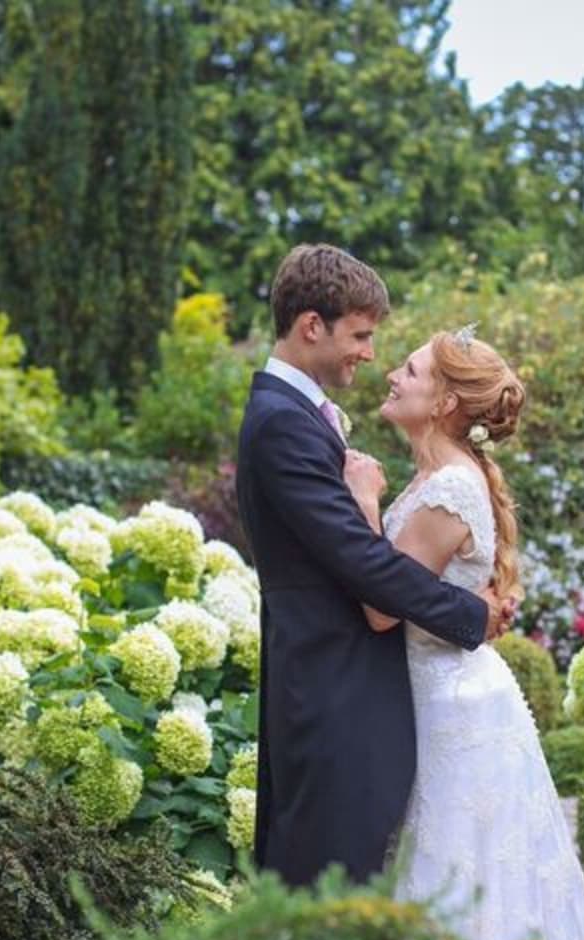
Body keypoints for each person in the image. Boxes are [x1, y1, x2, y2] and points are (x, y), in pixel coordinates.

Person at [348, 326, 584, 940]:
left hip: (451, 706)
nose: (393, 373)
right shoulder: (444, 476)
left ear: (446, 399)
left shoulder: (449, 485)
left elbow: (380, 607)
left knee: (462, 880)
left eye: (411, 368)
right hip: (454, 693)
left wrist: (363, 500)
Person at [233, 244, 515, 889]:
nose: (371, 354)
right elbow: (362, 562)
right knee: (327, 890)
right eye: (360, 335)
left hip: (345, 690)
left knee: (342, 887)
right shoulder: (283, 422)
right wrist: (471, 611)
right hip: (331, 691)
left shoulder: (297, 416)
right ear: (312, 326)